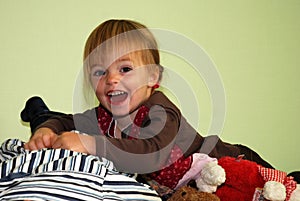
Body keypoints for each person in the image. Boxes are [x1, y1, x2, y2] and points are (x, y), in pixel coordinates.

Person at [24, 19, 272, 190]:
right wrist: (46, 129)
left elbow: (151, 154)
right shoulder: (103, 117)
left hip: (232, 160)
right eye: (99, 71)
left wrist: (90, 144)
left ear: (153, 77)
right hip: (195, 188)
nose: (112, 79)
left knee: (284, 184)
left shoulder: (161, 111)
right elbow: (66, 120)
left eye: (125, 69)